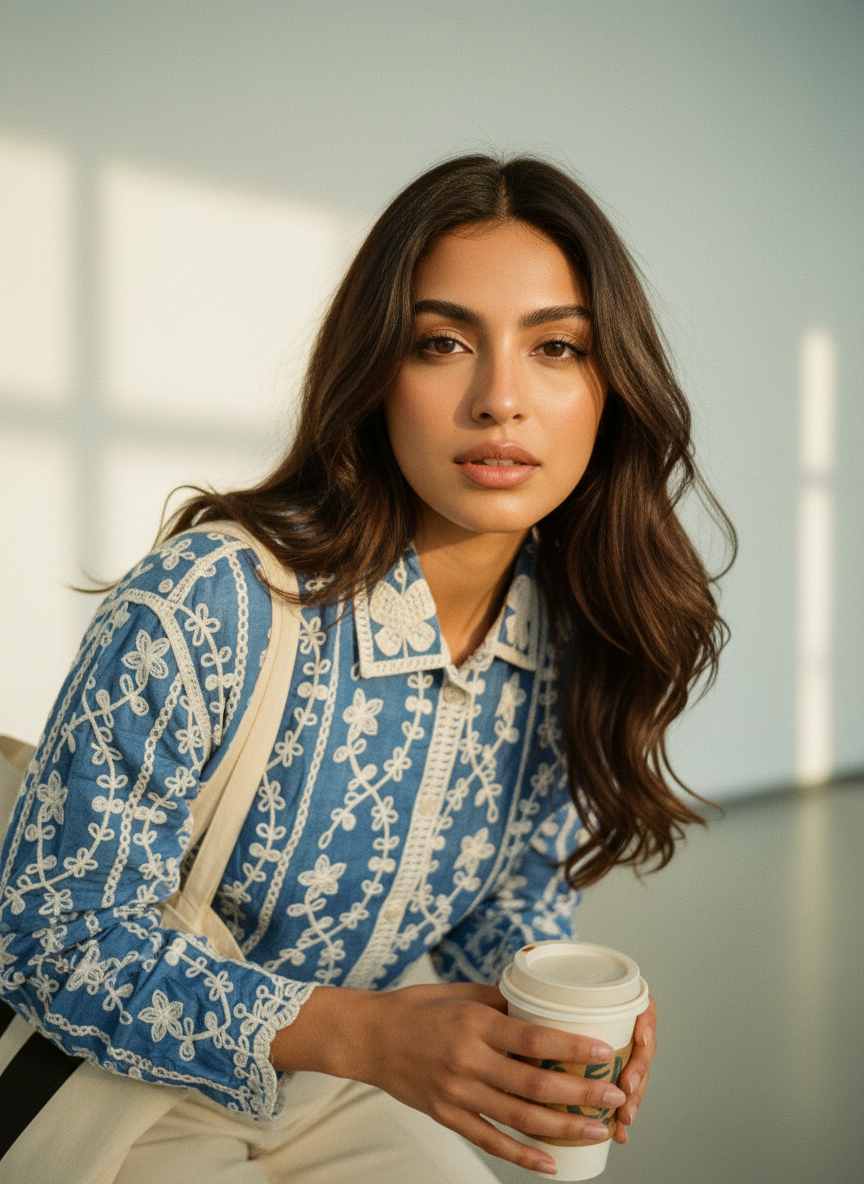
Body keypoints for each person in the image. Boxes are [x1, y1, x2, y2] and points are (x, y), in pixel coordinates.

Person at [0, 154, 732, 1182]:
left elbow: (505, 902)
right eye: (444, 343)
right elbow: (50, 938)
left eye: (556, 346)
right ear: (378, 371)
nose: (501, 399)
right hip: (109, 1089)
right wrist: (369, 1036)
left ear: (611, 387)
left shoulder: (568, 630)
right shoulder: (211, 599)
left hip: (330, 1082)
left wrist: (553, 1000)